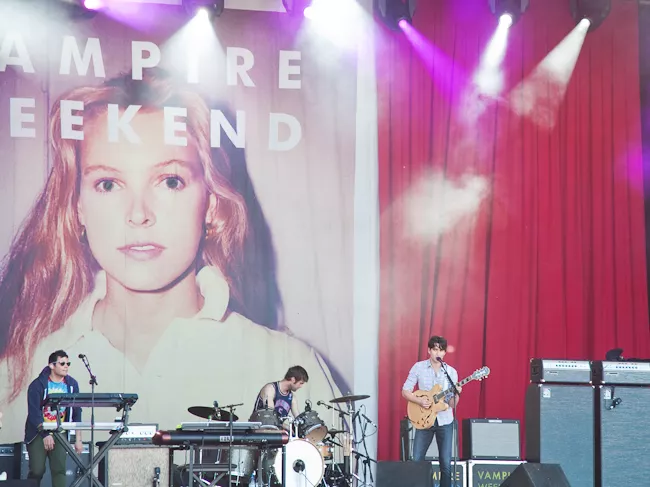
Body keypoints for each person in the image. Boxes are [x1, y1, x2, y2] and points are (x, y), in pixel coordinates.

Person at [0, 69, 341, 444]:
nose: (138, 214)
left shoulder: (286, 368)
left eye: (170, 181)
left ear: (211, 204)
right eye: (108, 184)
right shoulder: (17, 378)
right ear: (78, 207)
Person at [402, 336, 461, 487]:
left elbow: (452, 404)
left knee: (446, 464)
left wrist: (457, 394)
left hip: (445, 420)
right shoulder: (419, 367)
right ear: (429, 350)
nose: (438, 353)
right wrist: (420, 401)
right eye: (435, 349)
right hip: (424, 420)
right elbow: (405, 391)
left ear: (445, 352)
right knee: (417, 460)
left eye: (441, 350)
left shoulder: (451, 372)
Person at [25, 350, 83, 487]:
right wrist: (45, 434)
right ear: (51, 365)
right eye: (62, 363)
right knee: (37, 470)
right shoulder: (37, 385)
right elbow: (34, 413)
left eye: (68, 363)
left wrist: (78, 439)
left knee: (59, 470)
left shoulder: (72, 385)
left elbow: (77, 412)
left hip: (60, 432)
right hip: (39, 433)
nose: (66, 366)